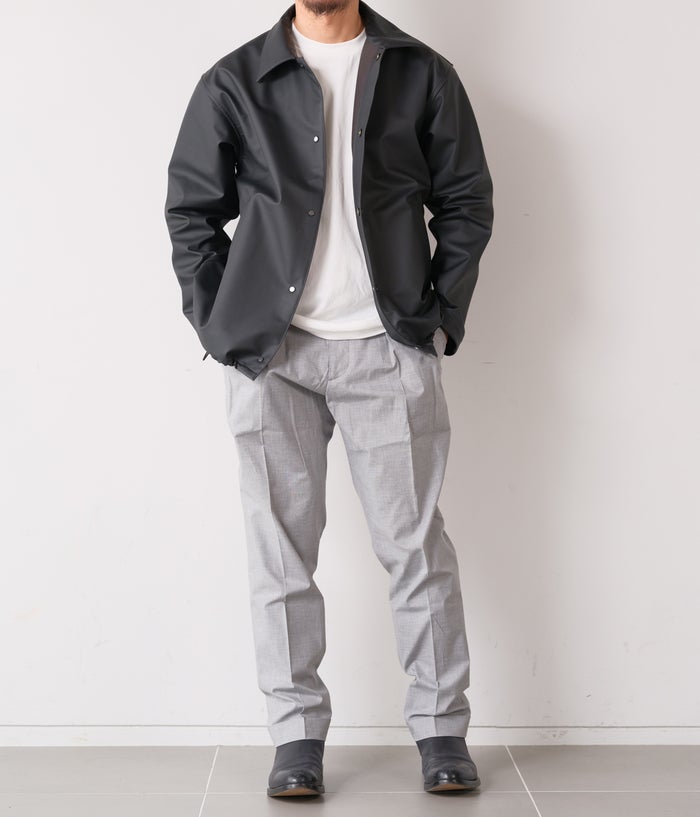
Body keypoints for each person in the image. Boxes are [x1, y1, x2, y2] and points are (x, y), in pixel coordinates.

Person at [164, 0, 494, 798]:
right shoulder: (235, 82)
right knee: (279, 554)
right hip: (273, 357)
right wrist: (223, 327)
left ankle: (441, 729)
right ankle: (296, 738)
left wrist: (438, 318)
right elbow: (191, 214)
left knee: (415, 548)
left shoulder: (421, 73)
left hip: (388, 347)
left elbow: (465, 200)